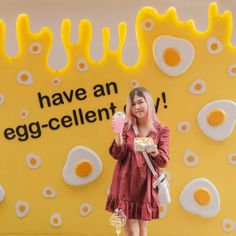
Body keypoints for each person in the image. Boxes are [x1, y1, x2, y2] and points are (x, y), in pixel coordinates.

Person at [105, 87, 170, 236]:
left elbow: (164, 161)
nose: (137, 107)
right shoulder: (127, 127)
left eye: (141, 102)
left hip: (145, 184)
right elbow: (117, 154)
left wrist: (153, 151)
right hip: (125, 182)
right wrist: (118, 133)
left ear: (149, 103)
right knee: (130, 230)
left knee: (143, 230)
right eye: (133, 104)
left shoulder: (162, 130)